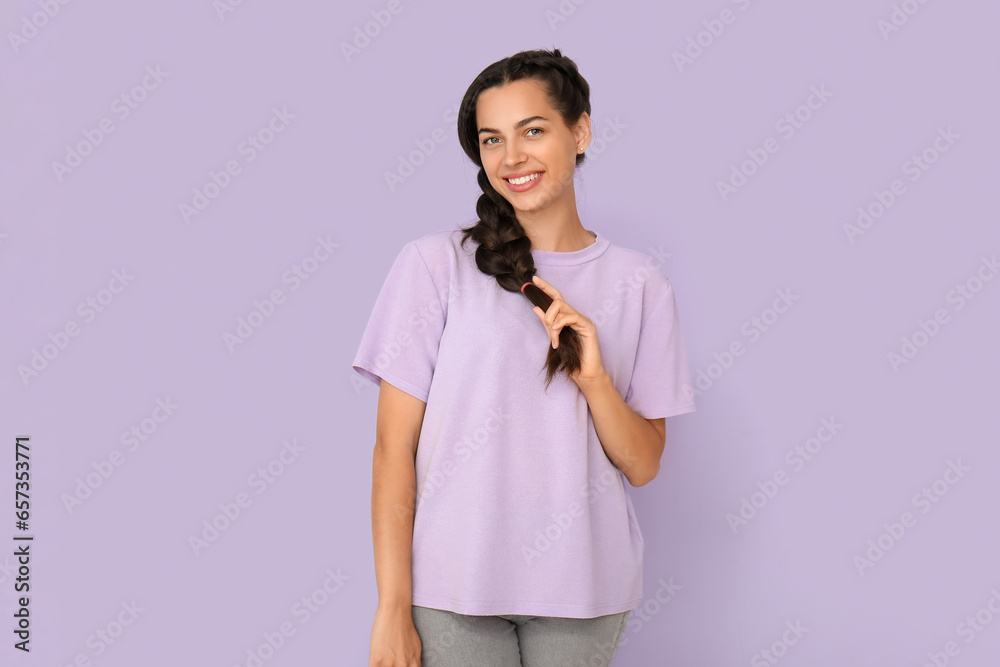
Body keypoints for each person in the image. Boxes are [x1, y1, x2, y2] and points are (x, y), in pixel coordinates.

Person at [352, 47, 696, 667]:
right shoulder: (435, 266)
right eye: (491, 140)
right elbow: (392, 450)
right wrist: (391, 607)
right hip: (449, 586)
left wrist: (594, 381)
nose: (511, 158)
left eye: (532, 130)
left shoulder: (640, 282)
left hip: (586, 588)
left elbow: (644, 465)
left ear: (580, 130)